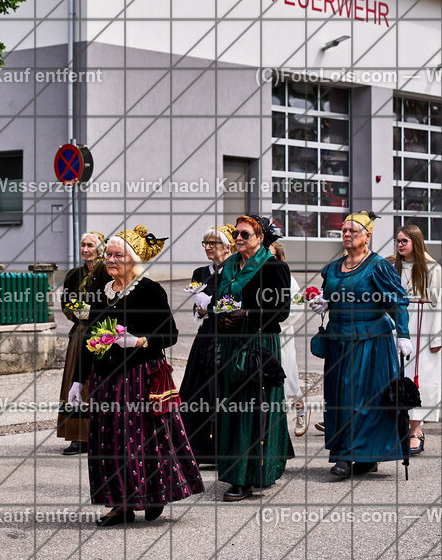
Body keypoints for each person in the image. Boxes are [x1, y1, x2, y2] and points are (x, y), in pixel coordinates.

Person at [69, 225, 203, 525]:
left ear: (133, 260)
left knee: (142, 441)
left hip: (140, 377)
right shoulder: (102, 293)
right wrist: (79, 379)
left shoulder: (148, 290)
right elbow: (89, 339)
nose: (111, 260)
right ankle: (120, 505)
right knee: (108, 442)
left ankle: (154, 495)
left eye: (118, 255)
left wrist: (139, 340)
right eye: (109, 255)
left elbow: (170, 334)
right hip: (106, 379)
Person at [307, 212, 411, 478]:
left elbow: (397, 300)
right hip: (338, 340)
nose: (347, 234)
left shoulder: (378, 266)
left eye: (353, 230)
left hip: (370, 342)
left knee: (363, 400)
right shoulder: (333, 267)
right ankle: (357, 453)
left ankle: (352, 455)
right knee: (339, 398)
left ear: (368, 235)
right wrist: (325, 302)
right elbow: (329, 293)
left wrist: (404, 334)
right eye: (343, 230)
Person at [215, 216, 293, 501]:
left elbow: (281, 311)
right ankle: (235, 469)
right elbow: (218, 299)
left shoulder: (274, 268)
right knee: (232, 407)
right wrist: (217, 314)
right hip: (231, 344)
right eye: (236, 234)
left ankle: (247, 478)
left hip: (259, 343)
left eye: (245, 235)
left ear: (260, 238)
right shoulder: (229, 266)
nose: (238, 239)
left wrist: (246, 314)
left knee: (254, 409)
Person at [390, 225, 442, 455]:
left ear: (415, 242)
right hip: (400, 325)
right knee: (398, 376)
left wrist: (439, 336)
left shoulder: (431, 268)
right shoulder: (393, 266)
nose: (400, 245)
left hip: (424, 325)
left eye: (404, 241)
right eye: (398, 240)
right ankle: (399, 426)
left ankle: (416, 429)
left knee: (421, 378)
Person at [177, 224, 235, 465]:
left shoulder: (235, 269)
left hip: (229, 334)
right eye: (207, 244)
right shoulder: (201, 272)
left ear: (228, 246)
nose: (209, 248)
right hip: (207, 334)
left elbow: (235, 303)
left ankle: (225, 449)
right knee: (198, 390)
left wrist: (212, 305)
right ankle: (197, 449)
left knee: (224, 391)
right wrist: (201, 308)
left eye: (214, 243)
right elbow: (198, 310)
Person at [57, 231, 109, 455]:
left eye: (90, 245)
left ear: (99, 249)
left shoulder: (107, 272)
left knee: (94, 381)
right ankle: (77, 435)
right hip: (79, 332)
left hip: (100, 331)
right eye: (83, 245)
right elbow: (65, 301)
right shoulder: (74, 274)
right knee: (75, 380)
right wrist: (75, 312)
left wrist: (94, 313)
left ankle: (98, 433)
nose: (85, 249)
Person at [270, 241, 309, 436]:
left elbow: (297, 308)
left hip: (281, 334)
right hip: (262, 336)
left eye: (273, 256)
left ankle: (301, 407)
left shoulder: (289, 281)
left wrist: (275, 324)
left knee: (288, 375)